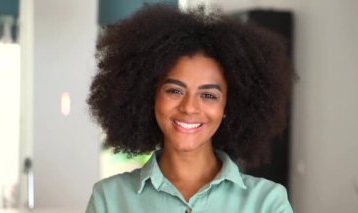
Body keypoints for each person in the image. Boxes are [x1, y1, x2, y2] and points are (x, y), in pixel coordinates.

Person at [86, 4, 293, 213]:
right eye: (175, 91)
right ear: (150, 96)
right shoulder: (109, 199)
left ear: (228, 106)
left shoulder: (267, 202)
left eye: (208, 95)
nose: (189, 107)